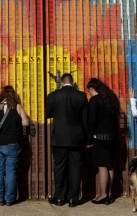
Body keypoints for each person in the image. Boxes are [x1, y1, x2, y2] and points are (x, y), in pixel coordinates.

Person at [45, 73, 88, 208]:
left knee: (59, 167)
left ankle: (59, 197)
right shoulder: (81, 96)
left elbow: (47, 114)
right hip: (77, 138)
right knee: (75, 168)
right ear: (73, 83)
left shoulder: (53, 95)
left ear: (62, 83)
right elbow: (85, 119)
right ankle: (73, 199)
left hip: (59, 138)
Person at [0, 85, 30, 206]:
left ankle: (0, 199)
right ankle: (10, 199)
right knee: (11, 171)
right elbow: (25, 123)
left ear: (2, 94)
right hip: (13, 143)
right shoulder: (17, 106)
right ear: (13, 95)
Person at [87, 78, 119, 205]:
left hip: (100, 137)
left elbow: (92, 121)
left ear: (91, 89)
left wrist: (89, 138)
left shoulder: (94, 101)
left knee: (102, 165)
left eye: (89, 91)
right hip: (112, 137)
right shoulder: (110, 99)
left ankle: (103, 194)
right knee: (110, 165)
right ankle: (110, 194)